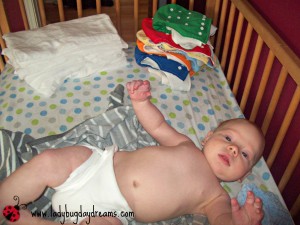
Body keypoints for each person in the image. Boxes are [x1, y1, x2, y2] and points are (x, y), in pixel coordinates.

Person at [0, 80, 265, 225]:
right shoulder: (185, 145)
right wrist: (141, 103)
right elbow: (158, 125)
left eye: (244, 154)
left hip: (110, 209)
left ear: (243, 176)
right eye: (229, 138)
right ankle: (4, 202)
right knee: (47, 161)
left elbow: (220, 220)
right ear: (208, 138)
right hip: (96, 164)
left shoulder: (216, 197)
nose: (233, 148)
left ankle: (20, 220)